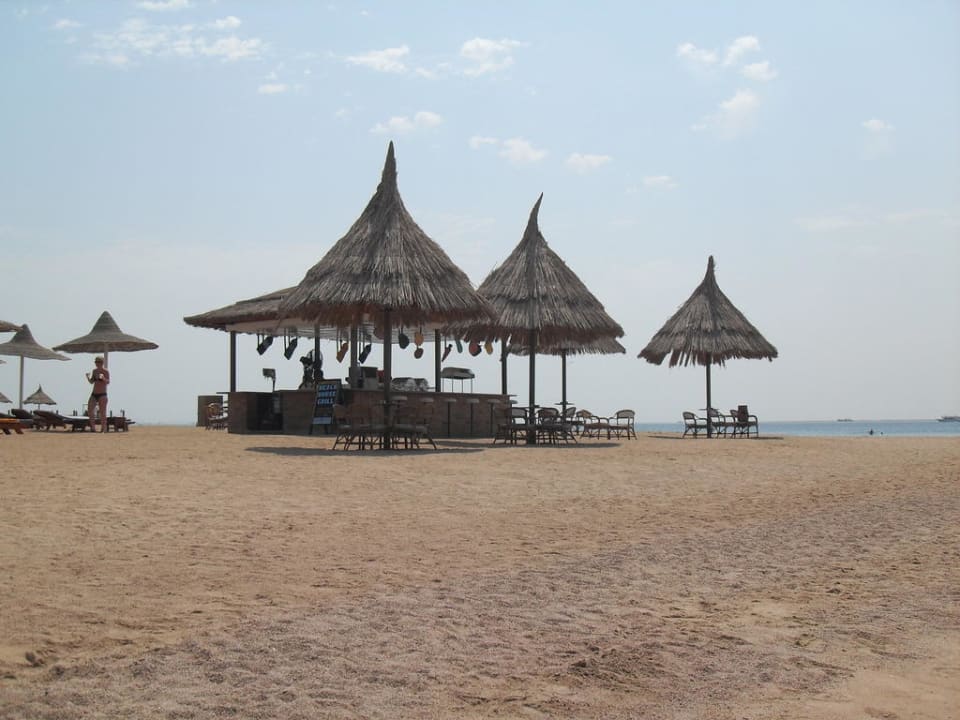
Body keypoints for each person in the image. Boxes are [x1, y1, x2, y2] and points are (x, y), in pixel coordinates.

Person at [86, 356, 110, 432]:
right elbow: (91, 382)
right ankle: (93, 428)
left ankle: (103, 428)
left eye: (98, 362)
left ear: (102, 363)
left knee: (102, 412)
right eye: (96, 362)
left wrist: (103, 378)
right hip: (94, 394)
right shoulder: (94, 371)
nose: (96, 363)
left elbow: (108, 382)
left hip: (102, 394)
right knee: (90, 409)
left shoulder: (105, 371)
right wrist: (88, 377)